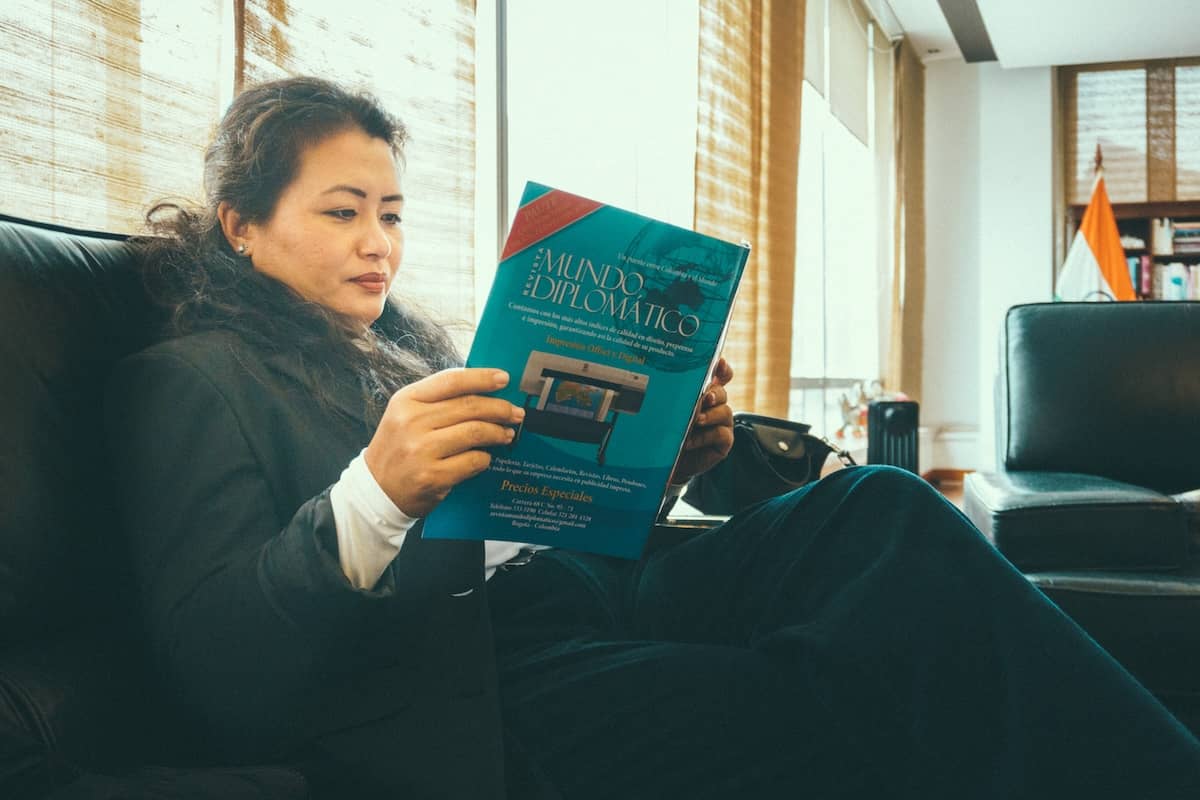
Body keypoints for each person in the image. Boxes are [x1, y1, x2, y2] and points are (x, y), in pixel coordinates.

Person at [105, 76, 1200, 799]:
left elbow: (528, 521)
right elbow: (217, 666)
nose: (378, 243)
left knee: (880, 508)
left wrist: (658, 462)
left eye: (391, 212)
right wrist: (373, 495)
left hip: (579, 591)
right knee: (825, 690)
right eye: (342, 211)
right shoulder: (192, 378)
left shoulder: (407, 352)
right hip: (464, 680)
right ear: (241, 225)